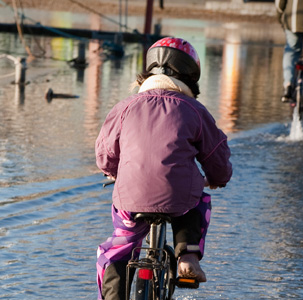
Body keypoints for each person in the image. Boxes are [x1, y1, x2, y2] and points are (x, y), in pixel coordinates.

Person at [94, 37, 233, 300]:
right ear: (191, 77)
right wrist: (217, 178)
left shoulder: (124, 107)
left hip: (131, 198)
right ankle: (187, 255)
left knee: (117, 249)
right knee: (196, 200)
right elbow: (217, 155)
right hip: (179, 197)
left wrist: (112, 170)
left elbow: (105, 153)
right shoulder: (194, 109)